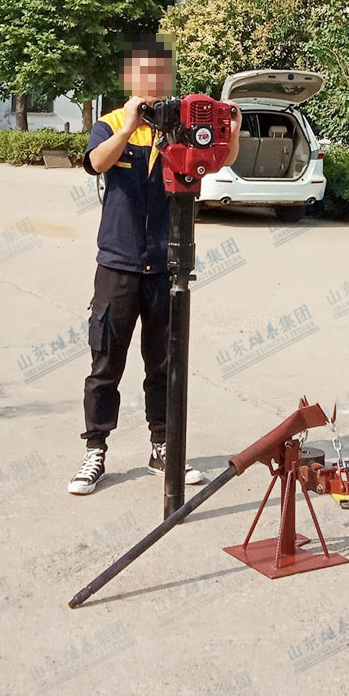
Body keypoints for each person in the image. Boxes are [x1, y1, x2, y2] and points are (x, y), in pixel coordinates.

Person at [68, 34, 242, 494]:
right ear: (129, 77)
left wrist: (233, 130)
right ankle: (95, 449)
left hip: (167, 266)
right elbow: (96, 163)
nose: (152, 81)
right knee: (105, 363)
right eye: (143, 73)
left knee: (164, 365)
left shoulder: (180, 122)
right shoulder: (110, 123)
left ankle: (162, 448)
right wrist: (128, 126)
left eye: (159, 73)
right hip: (118, 265)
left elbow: (217, 161)